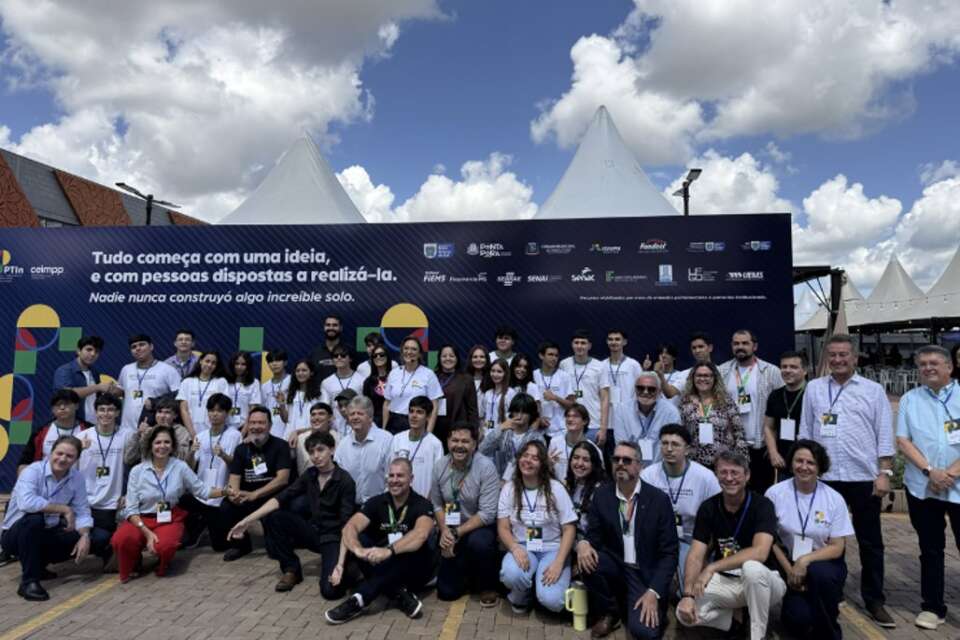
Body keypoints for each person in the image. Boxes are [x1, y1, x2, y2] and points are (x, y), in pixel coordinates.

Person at [799, 334, 896, 627]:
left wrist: (885, 473)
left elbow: (884, 433)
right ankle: (833, 589)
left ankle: (874, 599)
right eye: (833, 355)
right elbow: (806, 430)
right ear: (827, 358)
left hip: (863, 477)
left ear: (855, 357)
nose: (838, 360)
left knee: (870, 542)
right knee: (826, 539)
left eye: (844, 355)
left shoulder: (873, 390)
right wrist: (806, 470)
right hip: (826, 478)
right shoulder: (814, 388)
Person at [228, 430, 357, 596]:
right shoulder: (310, 474)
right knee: (275, 516)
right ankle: (291, 569)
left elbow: (347, 527)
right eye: (311, 452)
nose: (316, 456)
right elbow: (281, 498)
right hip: (314, 532)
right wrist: (246, 521)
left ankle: (350, 567)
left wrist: (339, 564)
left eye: (320, 450)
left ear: (332, 450)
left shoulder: (345, 480)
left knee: (331, 592)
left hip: (335, 538)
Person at [676, 450, 785, 640]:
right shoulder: (708, 507)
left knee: (752, 568)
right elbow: (695, 554)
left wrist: (712, 567)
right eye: (723, 472)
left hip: (765, 581)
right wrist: (687, 595)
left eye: (735, 472)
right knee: (684, 613)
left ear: (747, 476)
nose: (729, 478)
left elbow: (760, 552)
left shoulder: (763, 505)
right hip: (728, 581)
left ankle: (757, 635)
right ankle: (738, 617)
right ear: (716, 475)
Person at [581, 442, 677, 639]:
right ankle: (611, 612)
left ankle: (651, 605)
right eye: (616, 459)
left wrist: (654, 591)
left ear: (639, 465)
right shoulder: (602, 495)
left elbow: (669, 553)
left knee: (645, 633)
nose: (620, 464)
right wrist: (583, 544)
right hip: (616, 563)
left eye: (627, 460)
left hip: (644, 572)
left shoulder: (658, 500)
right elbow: (594, 535)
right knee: (588, 562)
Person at [895, 344, 960, 630]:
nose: (927, 368)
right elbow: (903, 440)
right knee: (930, 548)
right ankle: (933, 607)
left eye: (934, 363)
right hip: (923, 486)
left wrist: (949, 474)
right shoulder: (910, 399)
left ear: (949, 366)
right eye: (922, 364)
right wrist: (930, 472)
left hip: (958, 485)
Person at [324, 458, 436, 624]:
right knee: (360, 539)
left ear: (411, 478)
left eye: (400, 476)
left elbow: (421, 534)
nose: (394, 480)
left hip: (414, 568)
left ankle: (358, 600)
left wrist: (389, 551)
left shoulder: (422, 504)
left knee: (406, 554)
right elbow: (349, 528)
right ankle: (399, 594)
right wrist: (357, 550)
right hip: (384, 565)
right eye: (391, 475)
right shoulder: (377, 502)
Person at [112, 425, 230, 582]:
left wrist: (225, 491)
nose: (162, 446)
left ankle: (162, 562)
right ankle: (134, 562)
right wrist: (148, 534)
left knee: (165, 546)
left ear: (173, 445)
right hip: (140, 519)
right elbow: (131, 509)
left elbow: (201, 490)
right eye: (158, 442)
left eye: (167, 442)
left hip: (168, 518)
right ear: (150, 445)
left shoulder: (180, 467)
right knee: (121, 539)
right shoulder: (137, 471)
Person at [2, 436, 111, 601]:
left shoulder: (77, 478)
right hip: (15, 535)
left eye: (69, 456)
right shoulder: (32, 471)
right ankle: (29, 582)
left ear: (76, 459)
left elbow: (82, 509)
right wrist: (64, 509)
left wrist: (84, 536)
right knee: (34, 520)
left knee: (99, 537)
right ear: (50, 453)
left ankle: (39, 564)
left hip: (49, 530)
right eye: (59, 453)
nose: (63, 459)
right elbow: (27, 503)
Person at [765, 440, 853, 640]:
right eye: (799, 461)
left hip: (822, 563)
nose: (804, 467)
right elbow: (769, 539)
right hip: (786, 562)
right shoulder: (775, 493)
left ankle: (829, 634)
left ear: (820, 467)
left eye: (811, 462)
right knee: (799, 620)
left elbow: (837, 547)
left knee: (820, 575)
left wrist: (804, 561)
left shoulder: (834, 498)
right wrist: (790, 570)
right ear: (791, 463)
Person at [498, 440, 577, 613]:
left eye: (535, 458)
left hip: (552, 549)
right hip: (523, 546)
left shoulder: (556, 488)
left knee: (553, 601)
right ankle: (524, 594)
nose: (528, 461)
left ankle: (548, 587)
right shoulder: (509, 488)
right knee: (511, 574)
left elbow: (569, 528)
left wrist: (559, 562)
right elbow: (503, 527)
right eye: (525, 456)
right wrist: (514, 548)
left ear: (543, 464)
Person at [640, 424, 720, 590]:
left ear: (687, 449)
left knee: (688, 583)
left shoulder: (705, 477)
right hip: (657, 542)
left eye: (675, 444)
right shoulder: (647, 475)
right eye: (665, 443)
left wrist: (704, 555)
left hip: (693, 542)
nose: (669, 449)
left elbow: (717, 520)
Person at [431, 422, 501, 606]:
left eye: (465, 441)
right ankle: (467, 574)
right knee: (446, 593)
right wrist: (445, 531)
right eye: (455, 440)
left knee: (479, 543)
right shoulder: (439, 466)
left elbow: (487, 513)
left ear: (474, 444)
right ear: (448, 442)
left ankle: (487, 584)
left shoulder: (486, 467)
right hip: (452, 526)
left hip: (479, 528)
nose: (459, 445)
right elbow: (437, 504)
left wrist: (456, 533)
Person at [213, 406, 291, 561]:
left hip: (271, 498)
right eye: (252, 423)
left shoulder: (281, 446)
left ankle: (277, 539)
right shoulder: (241, 450)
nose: (256, 426)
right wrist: (234, 494)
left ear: (270, 425)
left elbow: (283, 479)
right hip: (247, 497)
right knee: (227, 506)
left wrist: (255, 494)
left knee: (275, 552)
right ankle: (241, 545)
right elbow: (234, 479)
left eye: (261, 422)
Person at [718, 330, 784, 492]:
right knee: (733, 492)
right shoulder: (722, 371)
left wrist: (774, 445)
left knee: (761, 493)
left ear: (755, 346)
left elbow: (782, 406)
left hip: (760, 445)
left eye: (745, 343)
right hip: (731, 445)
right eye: (736, 343)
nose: (740, 347)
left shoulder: (771, 371)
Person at [181, 393, 242, 550]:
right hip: (202, 493)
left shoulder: (235, 435)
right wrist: (191, 453)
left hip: (222, 494)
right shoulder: (200, 436)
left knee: (219, 546)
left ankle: (206, 524)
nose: (214, 414)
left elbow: (237, 466)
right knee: (181, 499)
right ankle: (197, 528)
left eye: (219, 411)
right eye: (211, 410)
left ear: (227, 413)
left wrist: (223, 455)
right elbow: (189, 467)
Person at [78, 394, 135, 546]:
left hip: (115, 503)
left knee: (109, 541)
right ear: (95, 412)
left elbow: (135, 467)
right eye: (101, 409)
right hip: (87, 502)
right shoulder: (82, 437)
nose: (106, 414)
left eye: (110, 410)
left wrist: (128, 493)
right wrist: (79, 450)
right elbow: (71, 470)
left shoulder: (128, 435)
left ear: (117, 413)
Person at [680, 361, 748, 469]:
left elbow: (739, 432)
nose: (703, 379)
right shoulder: (685, 402)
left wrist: (743, 462)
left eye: (707, 376)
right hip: (694, 464)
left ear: (714, 378)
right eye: (699, 375)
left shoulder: (725, 402)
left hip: (723, 464)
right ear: (693, 378)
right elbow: (681, 434)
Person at [334, 395, 394, 505]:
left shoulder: (386, 440)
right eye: (352, 414)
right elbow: (338, 479)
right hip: (350, 506)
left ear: (370, 417)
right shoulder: (343, 445)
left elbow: (392, 477)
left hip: (380, 506)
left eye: (360, 413)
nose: (355, 417)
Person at [115, 334, 181, 431]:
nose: (138, 348)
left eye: (142, 344)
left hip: (154, 429)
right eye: (134, 347)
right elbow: (121, 391)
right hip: (126, 429)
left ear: (151, 347)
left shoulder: (167, 370)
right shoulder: (126, 369)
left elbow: (180, 395)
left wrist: (155, 402)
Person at [762, 351, 808, 482]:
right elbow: (768, 427)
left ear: (805, 371)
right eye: (784, 367)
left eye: (793, 367)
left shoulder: (812, 393)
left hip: (808, 462)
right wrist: (773, 453)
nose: (787, 370)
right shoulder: (775, 395)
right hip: (783, 461)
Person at [560, 330, 610, 448]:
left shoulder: (600, 366)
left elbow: (605, 398)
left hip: (593, 425)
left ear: (589, 346)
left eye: (583, 343)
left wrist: (603, 428)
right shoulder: (564, 364)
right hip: (569, 424)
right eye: (576, 342)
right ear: (572, 345)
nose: (579, 346)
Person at [18, 389, 88, 473]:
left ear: (76, 406)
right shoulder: (40, 432)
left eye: (66, 403)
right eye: (58, 405)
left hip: (79, 479)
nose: (62, 407)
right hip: (46, 479)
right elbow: (24, 463)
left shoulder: (89, 430)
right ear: (52, 409)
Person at [382, 336, 442, 435]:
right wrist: (384, 430)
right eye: (406, 348)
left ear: (419, 354)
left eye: (414, 349)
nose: (409, 352)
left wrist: (428, 433)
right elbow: (386, 403)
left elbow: (435, 406)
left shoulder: (428, 374)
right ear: (402, 352)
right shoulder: (394, 373)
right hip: (393, 423)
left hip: (416, 423)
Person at [480, 393, 545, 480]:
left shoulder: (537, 438)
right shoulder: (502, 434)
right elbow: (482, 450)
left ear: (531, 415)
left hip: (525, 481)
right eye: (517, 411)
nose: (519, 415)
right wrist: (500, 428)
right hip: (501, 482)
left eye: (524, 412)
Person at [564, 441, 605, 579]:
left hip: (591, 548)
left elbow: (601, 532)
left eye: (586, 460)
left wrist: (581, 553)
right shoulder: (569, 485)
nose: (579, 463)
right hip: (571, 546)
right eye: (576, 458)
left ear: (594, 464)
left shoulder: (601, 490)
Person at [389, 396, 444, 499]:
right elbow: (390, 471)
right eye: (411, 411)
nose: (414, 416)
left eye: (419, 412)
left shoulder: (435, 444)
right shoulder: (397, 439)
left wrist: (428, 502)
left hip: (424, 500)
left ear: (428, 417)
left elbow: (438, 478)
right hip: (399, 499)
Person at [603, 329, 644, 457]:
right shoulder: (601, 365)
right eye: (610, 339)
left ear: (624, 342)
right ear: (607, 342)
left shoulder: (633, 365)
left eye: (617, 339)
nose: (613, 342)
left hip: (629, 419)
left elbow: (642, 390)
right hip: (607, 421)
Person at [626, 372, 680, 464]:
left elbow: (672, 447)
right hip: (631, 465)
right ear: (635, 389)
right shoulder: (622, 410)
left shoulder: (671, 412)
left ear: (659, 392)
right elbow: (622, 444)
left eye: (651, 389)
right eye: (640, 388)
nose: (645, 392)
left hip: (660, 467)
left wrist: (655, 470)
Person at [53, 335, 107, 425]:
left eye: (97, 351)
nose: (93, 354)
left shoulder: (94, 373)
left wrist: (110, 391)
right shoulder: (64, 370)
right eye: (89, 349)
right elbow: (66, 395)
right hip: (72, 425)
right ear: (78, 351)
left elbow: (94, 399)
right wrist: (97, 387)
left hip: (93, 425)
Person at [433, 344, 480, 447]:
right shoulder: (432, 377)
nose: (448, 358)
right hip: (435, 428)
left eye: (451, 356)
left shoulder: (466, 379)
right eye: (444, 356)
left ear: (457, 358)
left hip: (458, 430)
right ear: (439, 358)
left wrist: (474, 433)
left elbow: (472, 410)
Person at [126, 397, 194, 467]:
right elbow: (129, 458)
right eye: (159, 412)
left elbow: (183, 459)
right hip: (148, 471)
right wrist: (139, 435)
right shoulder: (149, 431)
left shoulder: (181, 432)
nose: (162, 416)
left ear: (175, 415)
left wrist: (168, 435)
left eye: (167, 412)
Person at [175, 350, 228, 437]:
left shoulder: (221, 382)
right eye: (207, 361)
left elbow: (224, 409)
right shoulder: (187, 382)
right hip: (190, 432)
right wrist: (192, 434)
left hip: (214, 432)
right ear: (200, 361)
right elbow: (184, 409)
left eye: (213, 363)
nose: (209, 365)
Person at [534, 340, 576, 439]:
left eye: (556, 355)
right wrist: (538, 418)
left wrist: (555, 398)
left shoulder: (564, 376)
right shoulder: (533, 375)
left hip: (559, 431)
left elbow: (572, 405)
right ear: (541, 356)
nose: (554, 358)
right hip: (537, 430)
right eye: (550, 355)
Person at [662, 332, 714, 401]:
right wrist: (660, 375)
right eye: (694, 348)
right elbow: (670, 393)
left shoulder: (721, 371)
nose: (697, 350)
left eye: (701, 347)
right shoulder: (686, 374)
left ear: (710, 348)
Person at [548, 403, 590, 480]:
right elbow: (548, 473)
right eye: (568, 416)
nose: (570, 419)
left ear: (585, 421)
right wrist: (548, 465)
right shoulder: (554, 443)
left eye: (575, 416)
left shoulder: (593, 448)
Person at [295, 402, 339, 475]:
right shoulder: (300, 439)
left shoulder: (338, 438)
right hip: (305, 480)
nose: (316, 418)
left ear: (330, 417)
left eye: (321, 414)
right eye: (313, 414)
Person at [284, 359, 323, 441]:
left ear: (311, 373)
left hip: (311, 437)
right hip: (290, 437)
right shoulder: (290, 393)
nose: (300, 373)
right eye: (297, 371)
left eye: (304, 370)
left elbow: (323, 420)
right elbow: (286, 419)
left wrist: (299, 432)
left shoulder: (320, 393)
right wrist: (281, 405)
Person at [311, 314, 359, 380]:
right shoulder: (315, 353)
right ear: (324, 327)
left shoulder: (350, 351)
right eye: (328, 325)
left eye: (335, 325)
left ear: (341, 328)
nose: (331, 328)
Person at [320, 345, 364, 411]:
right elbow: (325, 407)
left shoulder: (362, 380)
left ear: (350, 359)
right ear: (333, 360)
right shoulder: (326, 382)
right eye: (335, 356)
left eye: (343, 355)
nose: (339, 357)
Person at [226, 351, 262, 430]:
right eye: (237, 363)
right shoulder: (225, 381)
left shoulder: (254, 383)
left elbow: (253, 410)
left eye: (243, 364)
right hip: (225, 425)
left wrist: (244, 431)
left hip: (244, 426)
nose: (239, 367)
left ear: (248, 366)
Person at [481, 358, 517, 433]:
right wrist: (487, 430)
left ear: (505, 373)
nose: (495, 374)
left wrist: (499, 429)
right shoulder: (488, 393)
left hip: (504, 434)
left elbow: (513, 418)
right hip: (487, 435)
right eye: (493, 371)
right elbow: (486, 418)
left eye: (499, 371)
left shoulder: (510, 393)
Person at [361, 343, 393, 428]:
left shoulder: (395, 378)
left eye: (381, 354)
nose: (378, 357)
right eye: (375, 355)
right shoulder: (368, 382)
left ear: (387, 357)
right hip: (375, 424)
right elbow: (366, 407)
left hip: (395, 422)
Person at [261, 349, 291, 438]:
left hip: (288, 428)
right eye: (271, 361)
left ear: (285, 362)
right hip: (270, 430)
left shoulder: (292, 381)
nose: (274, 364)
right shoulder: (264, 386)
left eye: (278, 360)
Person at [649, 343, 683, 408]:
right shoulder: (651, 375)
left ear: (674, 357)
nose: (663, 356)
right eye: (661, 353)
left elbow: (670, 394)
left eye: (667, 353)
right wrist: (645, 369)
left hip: (673, 412)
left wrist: (660, 375)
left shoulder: (680, 375)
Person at [467, 344, 491, 420]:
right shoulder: (463, 378)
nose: (478, 359)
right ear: (470, 359)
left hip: (486, 421)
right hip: (468, 422)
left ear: (486, 359)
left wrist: (486, 426)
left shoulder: (492, 379)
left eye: (482, 357)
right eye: (475, 357)